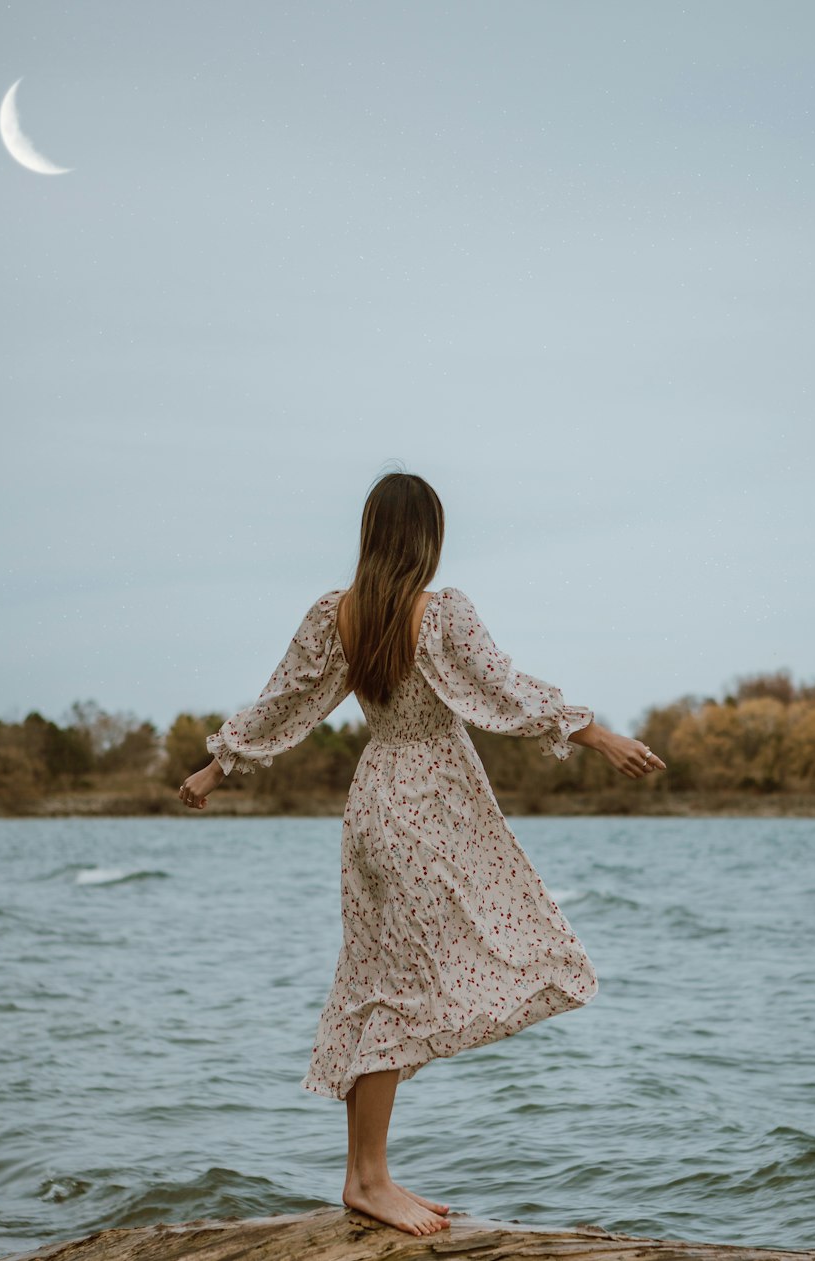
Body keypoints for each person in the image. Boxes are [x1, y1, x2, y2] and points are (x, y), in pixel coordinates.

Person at [178, 471, 666, 1237]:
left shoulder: (338, 614)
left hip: (375, 801)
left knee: (377, 977)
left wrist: (218, 766)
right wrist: (595, 733)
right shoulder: (439, 615)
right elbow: (505, 691)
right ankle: (367, 1178)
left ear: (373, 532)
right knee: (404, 985)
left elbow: (283, 702)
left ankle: (368, 1172)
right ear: (427, 537)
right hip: (426, 805)